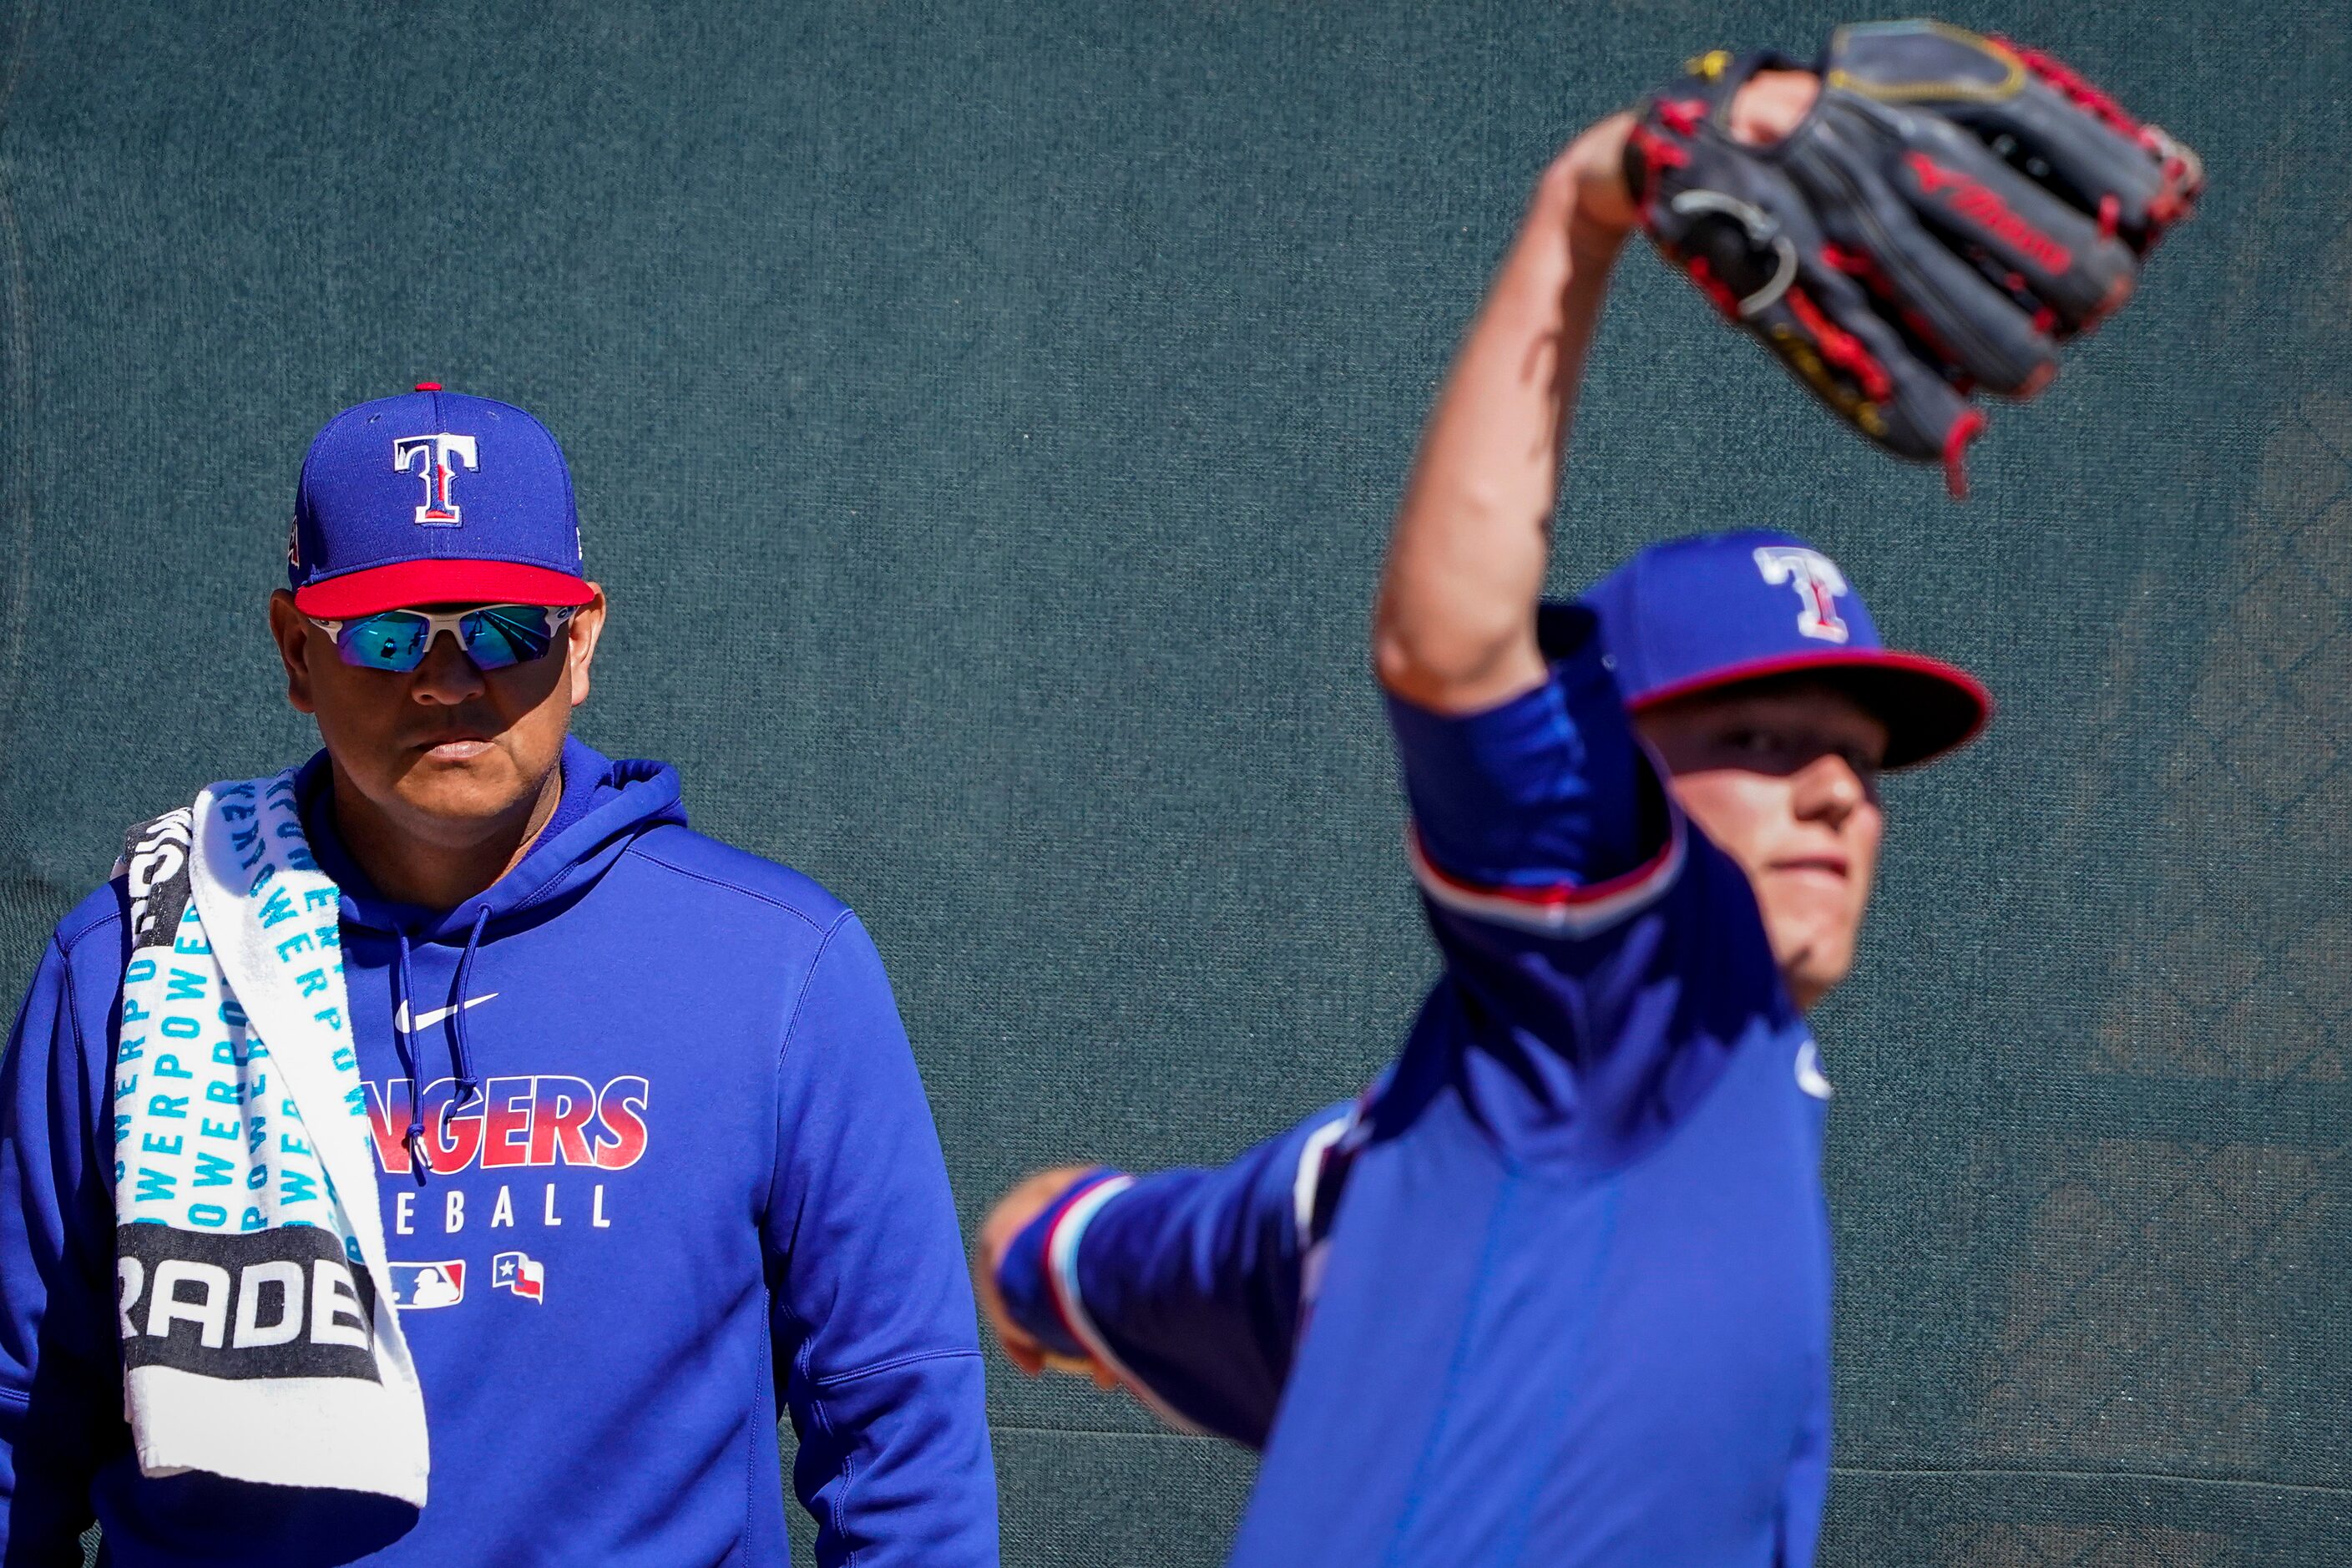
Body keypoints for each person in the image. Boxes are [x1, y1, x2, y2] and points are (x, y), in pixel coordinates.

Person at [974, 73, 1989, 1565]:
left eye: (1857, 755)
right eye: (1760, 736)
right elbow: (1450, 649)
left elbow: (1042, 1241)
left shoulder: (1386, 1182)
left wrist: (1042, 1265)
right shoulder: (1633, 984)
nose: (1836, 786)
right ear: (1602, 774)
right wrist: (1578, 220)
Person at [0, 386, 999, 1565]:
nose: (446, 678)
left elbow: (903, 1444)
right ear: (294, 652)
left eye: (504, 628)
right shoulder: (140, 958)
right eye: (384, 633)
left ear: (580, 642)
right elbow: (20, 1425)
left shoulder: (776, 966)